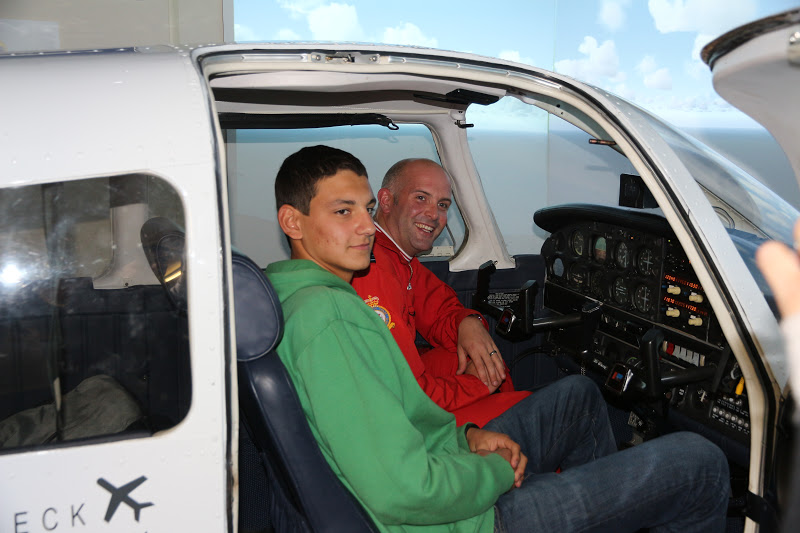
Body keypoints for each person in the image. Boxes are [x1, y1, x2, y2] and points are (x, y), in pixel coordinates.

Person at [266, 144, 730, 532]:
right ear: (292, 222)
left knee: (580, 395)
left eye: (365, 210)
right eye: (343, 211)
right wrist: (492, 470)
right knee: (700, 462)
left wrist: (467, 436)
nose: (367, 227)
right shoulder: (331, 319)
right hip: (463, 519)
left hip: (444, 467)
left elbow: (400, 413)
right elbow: (404, 489)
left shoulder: (317, 297)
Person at [351, 158, 529, 426]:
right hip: (384, 417)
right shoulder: (372, 268)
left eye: (442, 205)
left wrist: (467, 322)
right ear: (386, 200)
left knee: (482, 358)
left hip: (396, 393)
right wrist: (477, 385)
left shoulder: (400, 259)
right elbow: (406, 393)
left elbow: (440, 307)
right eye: (421, 198)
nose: (434, 214)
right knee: (533, 408)